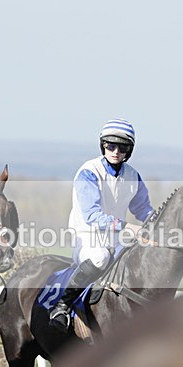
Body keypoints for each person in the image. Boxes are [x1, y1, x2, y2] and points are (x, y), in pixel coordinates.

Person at [47, 118, 154, 332]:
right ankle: (62, 306)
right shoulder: (89, 172)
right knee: (100, 257)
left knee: (139, 259)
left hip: (116, 240)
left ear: (129, 150)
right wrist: (128, 227)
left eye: (122, 147)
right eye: (110, 145)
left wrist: (157, 226)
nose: (115, 151)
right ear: (103, 145)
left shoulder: (133, 176)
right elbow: (92, 215)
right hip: (87, 238)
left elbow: (143, 209)